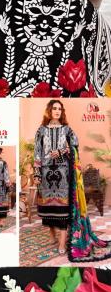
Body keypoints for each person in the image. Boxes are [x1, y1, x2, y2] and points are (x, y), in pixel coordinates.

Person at [34, 99, 111, 262]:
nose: (57, 111)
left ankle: (62, 242)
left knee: (62, 209)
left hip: (63, 174)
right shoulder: (41, 130)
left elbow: (75, 146)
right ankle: (52, 234)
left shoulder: (67, 130)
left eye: (60, 109)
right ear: (49, 111)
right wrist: (37, 174)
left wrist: (61, 151)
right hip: (45, 173)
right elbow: (37, 153)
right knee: (47, 209)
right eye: (54, 108)